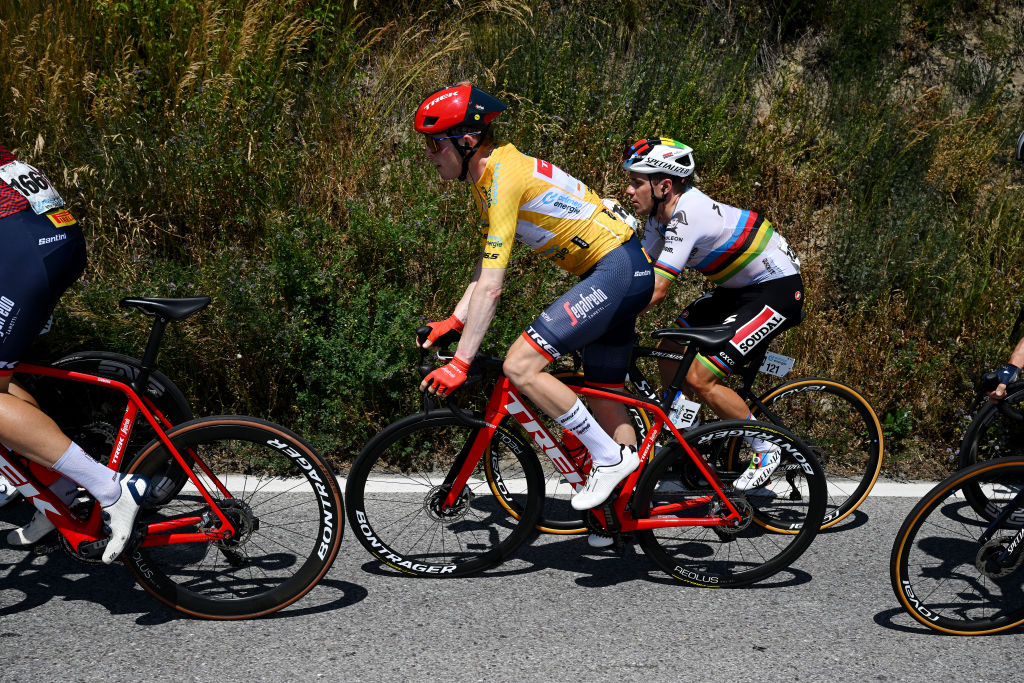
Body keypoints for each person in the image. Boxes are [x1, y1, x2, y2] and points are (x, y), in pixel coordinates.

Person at [414, 83, 654, 517]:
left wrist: (461, 363)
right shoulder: (491, 175)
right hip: (622, 270)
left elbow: (493, 287)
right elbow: (485, 268)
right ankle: (626, 509)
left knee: (520, 365)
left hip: (615, 271)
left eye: (434, 144)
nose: (428, 155)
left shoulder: (503, 178)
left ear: (466, 141)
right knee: (604, 394)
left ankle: (612, 460)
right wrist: (454, 320)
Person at [621, 137, 804, 490]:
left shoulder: (689, 214)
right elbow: (639, 270)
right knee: (670, 345)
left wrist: (606, 316)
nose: (629, 190)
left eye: (636, 181)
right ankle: (688, 438)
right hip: (737, 290)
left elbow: (657, 289)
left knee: (700, 378)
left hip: (777, 290)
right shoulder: (659, 217)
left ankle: (764, 447)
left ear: (665, 185)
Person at [0, 143, 147, 563]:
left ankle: (112, 489)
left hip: (23, 248)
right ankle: (58, 496)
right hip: (43, 239)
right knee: (2, 380)